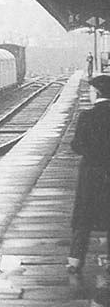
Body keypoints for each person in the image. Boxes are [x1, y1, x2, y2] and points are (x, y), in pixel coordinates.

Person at [67, 74, 110, 274]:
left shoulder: (87, 116)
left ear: (97, 93)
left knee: (84, 217)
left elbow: (77, 145)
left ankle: (75, 260)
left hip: (91, 173)